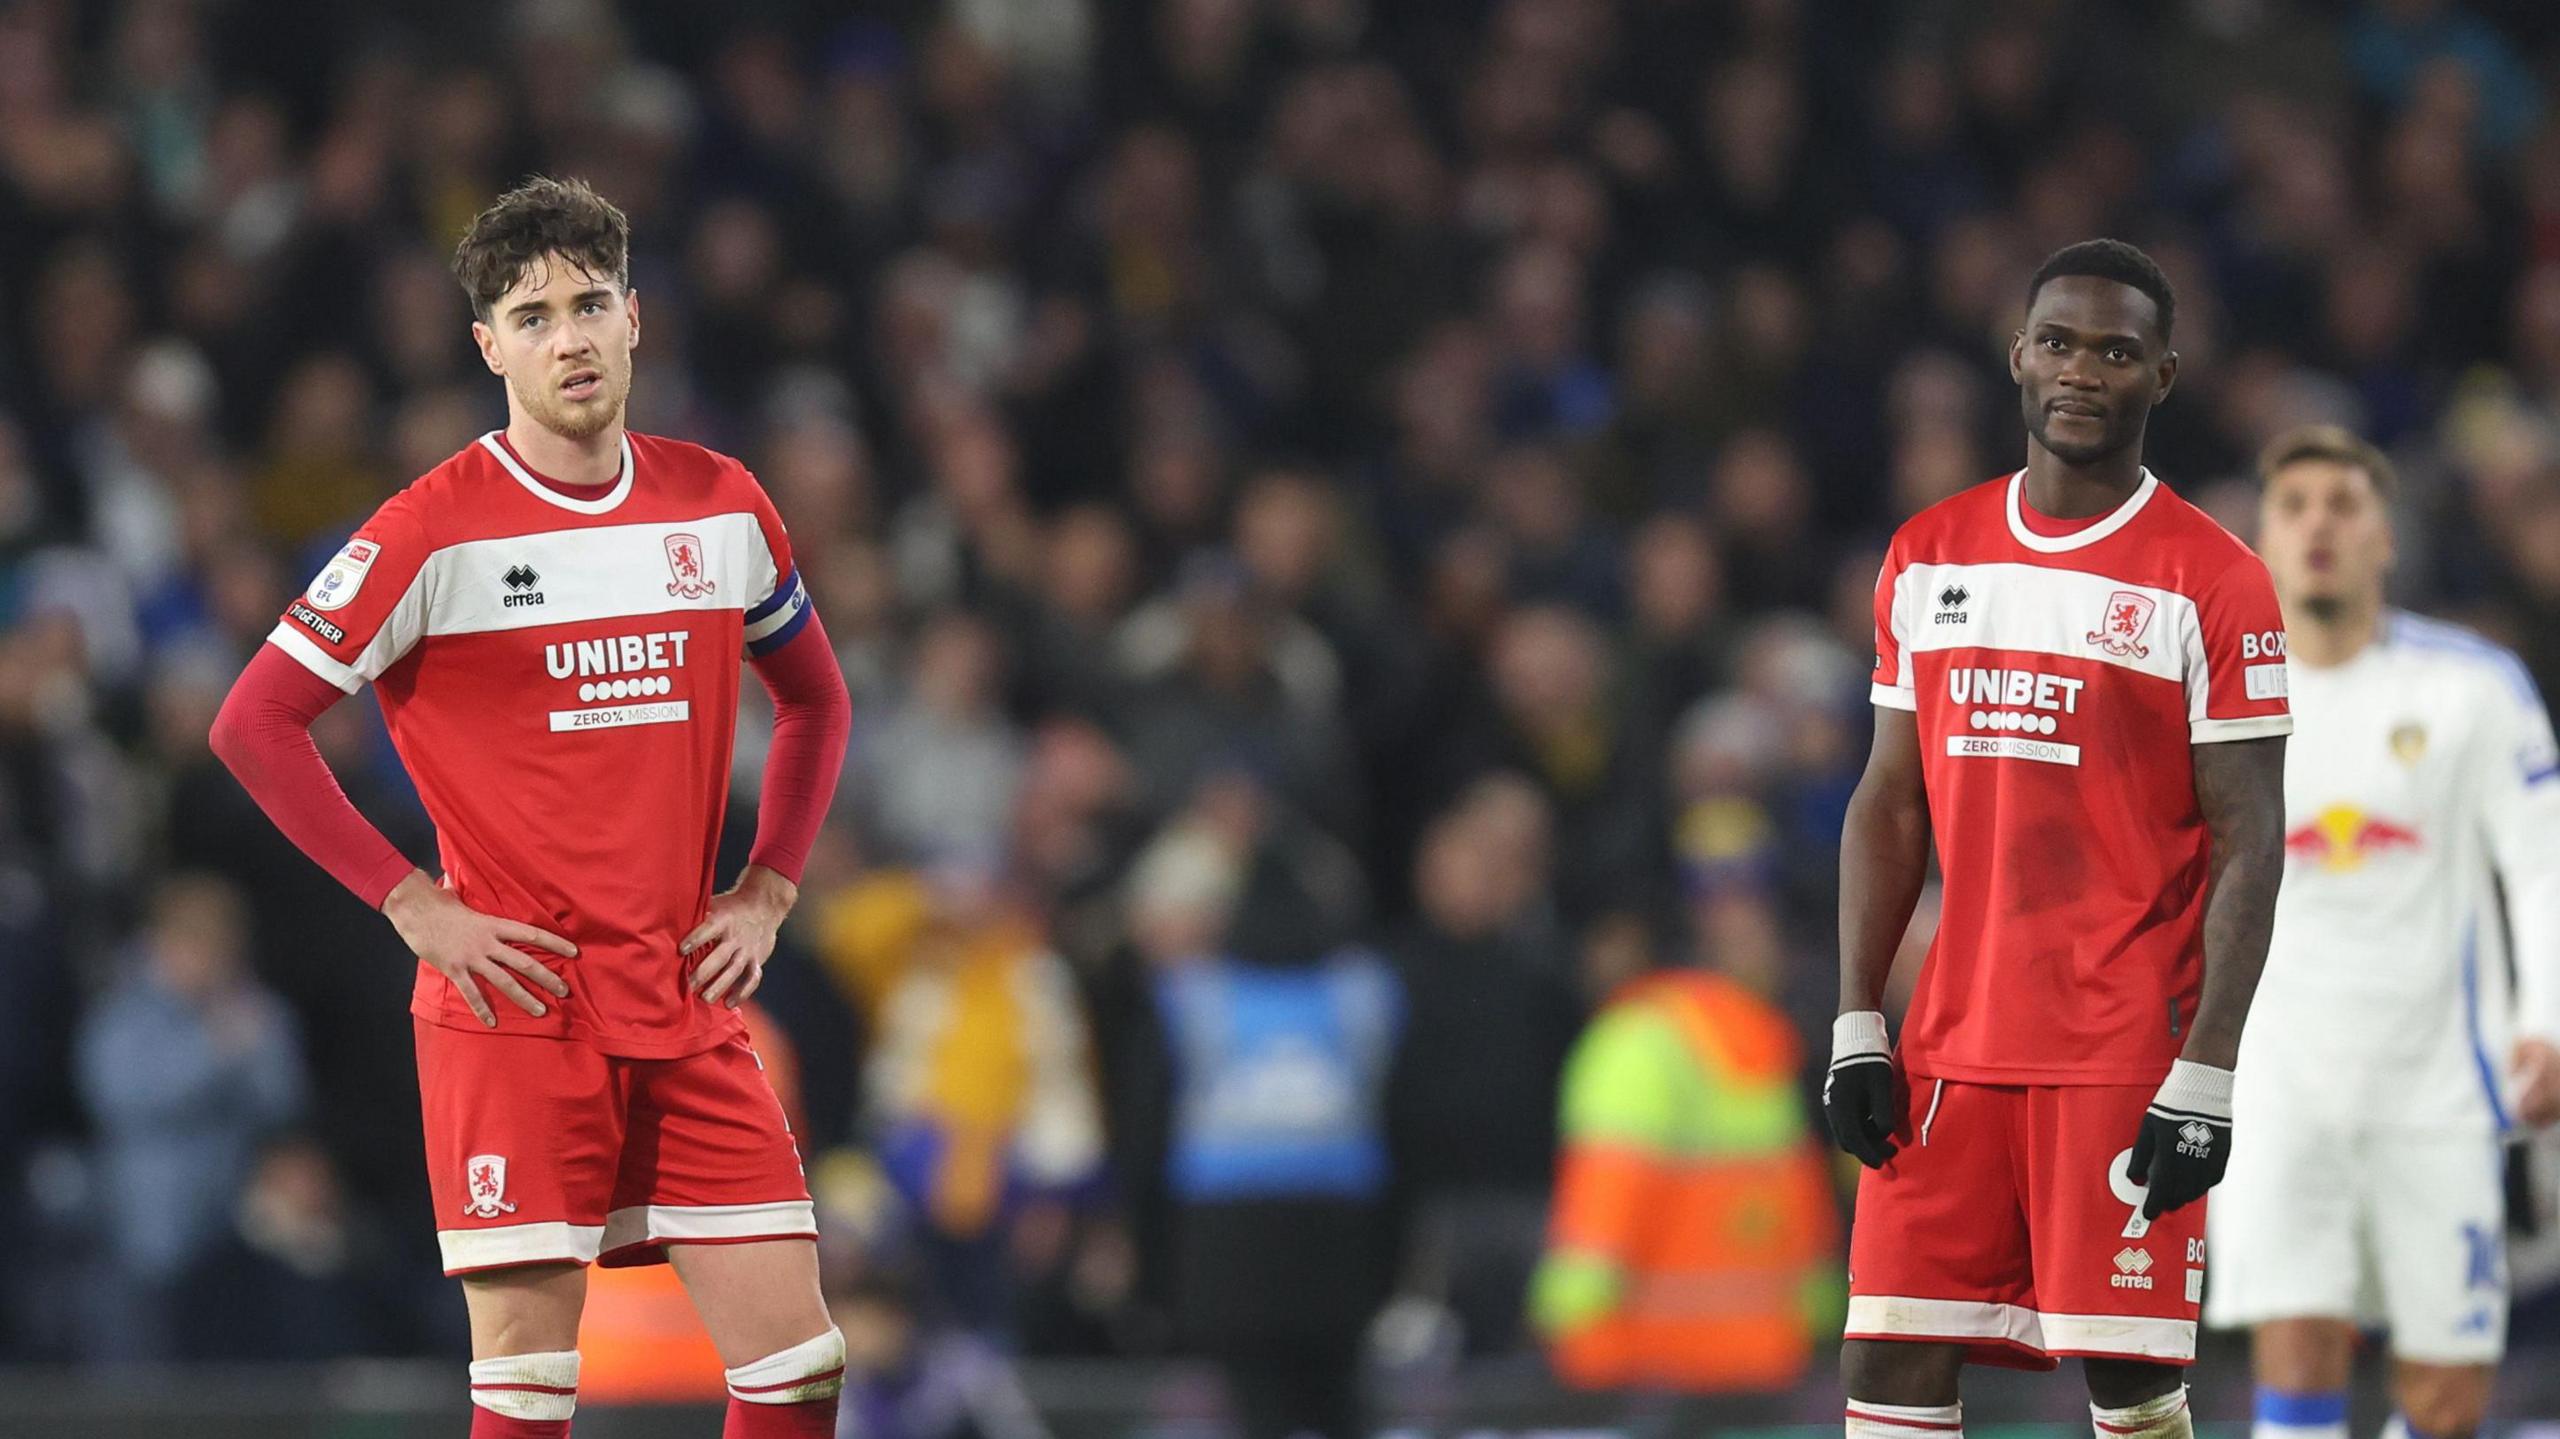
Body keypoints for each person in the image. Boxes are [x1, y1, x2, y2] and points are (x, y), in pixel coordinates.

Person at [208, 177, 855, 1439]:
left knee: (800, 1363)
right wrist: (412, 902)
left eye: (590, 303)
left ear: (634, 321)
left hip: (682, 995)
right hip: (517, 1007)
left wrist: (770, 883)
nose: (568, 335)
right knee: (527, 1383)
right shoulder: (428, 532)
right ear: (488, 344)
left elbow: (819, 702)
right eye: (533, 312)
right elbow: (254, 722)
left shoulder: (720, 503)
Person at [1825, 239, 2293, 1439]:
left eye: (2117, 351)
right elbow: (1888, 797)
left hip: (2120, 1051)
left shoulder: (2214, 580)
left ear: (2163, 378)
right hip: (1950, 1045)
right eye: (2060, 343)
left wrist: (2207, 1072)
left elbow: (2251, 839)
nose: (2083, 371)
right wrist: (1856, 1017)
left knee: (2129, 1389)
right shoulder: (1927, 553)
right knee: (1887, 1363)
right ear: (2018, 355)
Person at [2206, 425, 2560, 1439]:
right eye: (2296, 505)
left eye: (2343, 504)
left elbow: (2538, 863)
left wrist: (2543, 1015)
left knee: (2447, 1399)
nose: (2319, 523)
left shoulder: (2470, 686)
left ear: (2384, 538)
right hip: (2277, 1087)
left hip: (2437, 1087)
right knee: (2298, 1351)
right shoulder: (2213, 698)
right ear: (2262, 539)